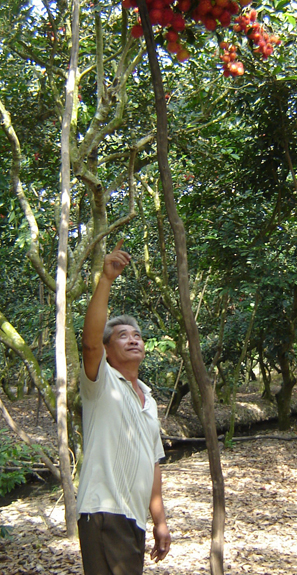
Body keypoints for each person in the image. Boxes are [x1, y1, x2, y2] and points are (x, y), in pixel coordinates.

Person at [76, 240, 171, 575]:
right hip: (103, 509)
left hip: (133, 517)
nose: (133, 339)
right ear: (106, 350)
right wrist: (106, 280)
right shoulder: (100, 383)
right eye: (122, 336)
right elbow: (88, 342)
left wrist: (159, 521)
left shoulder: (147, 398)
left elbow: (153, 463)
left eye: (137, 336)